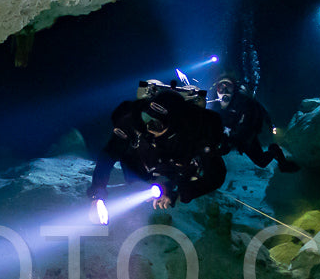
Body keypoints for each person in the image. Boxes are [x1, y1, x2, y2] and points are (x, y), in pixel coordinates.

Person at [87, 79, 227, 215]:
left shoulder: (195, 134)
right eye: (146, 118)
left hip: (177, 174)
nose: (148, 127)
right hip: (142, 169)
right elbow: (109, 154)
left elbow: (216, 175)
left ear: (173, 125)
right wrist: (97, 194)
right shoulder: (134, 121)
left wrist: (180, 193)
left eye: (156, 124)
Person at [207, 74, 300, 172]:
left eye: (228, 86)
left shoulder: (244, 102)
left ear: (234, 87)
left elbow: (249, 122)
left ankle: (275, 151)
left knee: (261, 162)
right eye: (221, 86)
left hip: (245, 137)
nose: (224, 90)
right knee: (218, 151)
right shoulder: (217, 103)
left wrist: (235, 137)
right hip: (234, 136)